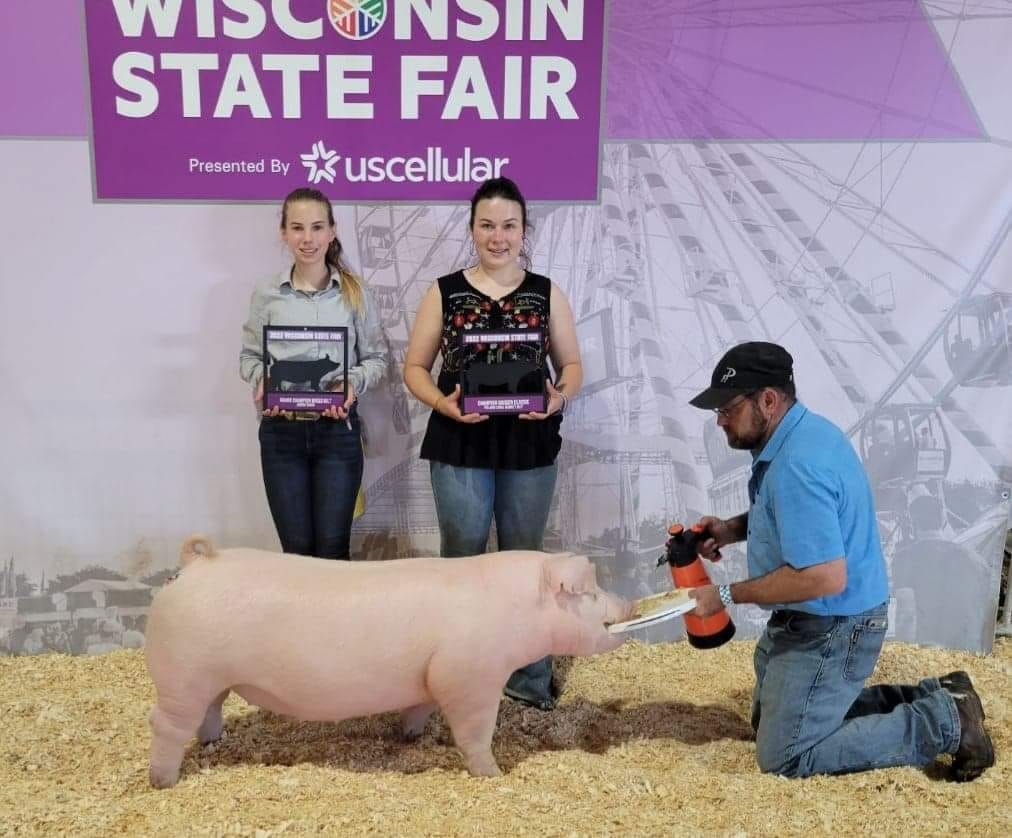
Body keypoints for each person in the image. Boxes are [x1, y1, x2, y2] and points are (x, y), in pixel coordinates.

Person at [685, 341, 994, 781]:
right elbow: (793, 517)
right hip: (819, 616)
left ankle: (946, 723)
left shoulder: (797, 464)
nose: (719, 420)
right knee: (768, 721)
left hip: (835, 624)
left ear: (768, 401)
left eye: (727, 408)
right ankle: (945, 696)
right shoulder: (802, 436)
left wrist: (724, 595)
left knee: (785, 754)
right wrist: (730, 530)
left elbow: (823, 577)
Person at [403, 177, 582, 710]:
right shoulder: (443, 291)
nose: (498, 236)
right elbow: (415, 368)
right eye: (487, 225)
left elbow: (571, 365)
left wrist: (558, 397)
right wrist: (442, 404)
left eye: (508, 226)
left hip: (530, 442)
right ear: (472, 230)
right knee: (462, 561)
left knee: (527, 563)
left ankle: (528, 681)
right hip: (459, 441)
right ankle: (458, 678)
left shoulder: (547, 292)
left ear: (524, 231)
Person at [240, 188, 388, 560]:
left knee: (334, 550)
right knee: (296, 552)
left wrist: (352, 383)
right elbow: (249, 357)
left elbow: (376, 358)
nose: (308, 238)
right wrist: (263, 380)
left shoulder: (355, 292)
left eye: (317, 227)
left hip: (338, 433)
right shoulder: (267, 293)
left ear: (332, 231)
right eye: (298, 228)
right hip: (281, 434)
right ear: (284, 233)